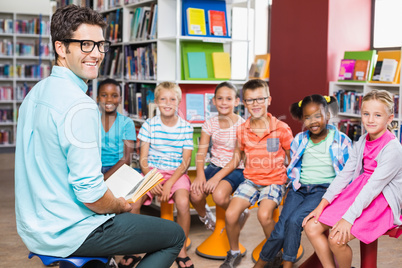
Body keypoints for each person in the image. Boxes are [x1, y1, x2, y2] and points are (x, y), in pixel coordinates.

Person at [14, 5, 185, 268]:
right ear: (61, 48)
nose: (96, 54)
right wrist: (119, 205)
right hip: (70, 230)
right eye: (85, 44)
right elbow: (91, 195)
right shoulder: (80, 105)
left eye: (100, 45)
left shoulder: (35, 93)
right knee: (174, 235)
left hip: (34, 225)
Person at [303, 89, 402, 268]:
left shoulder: (393, 148)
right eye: (366, 114)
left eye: (377, 115)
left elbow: (373, 187)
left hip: (381, 199)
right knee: (311, 227)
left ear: (389, 118)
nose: (370, 120)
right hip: (359, 191)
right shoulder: (362, 140)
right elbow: (344, 175)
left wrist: (348, 218)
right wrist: (322, 205)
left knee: (336, 239)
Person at [254, 94, 352, 268]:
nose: (313, 121)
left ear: (327, 115)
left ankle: (288, 264)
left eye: (317, 116)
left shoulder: (342, 140)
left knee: (295, 221)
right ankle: (260, 264)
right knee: (280, 229)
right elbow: (294, 165)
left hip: (323, 191)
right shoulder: (300, 139)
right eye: (307, 117)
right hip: (299, 190)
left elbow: (349, 173)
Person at [215, 79, 294, 268]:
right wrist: (217, 177)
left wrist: (293, 184)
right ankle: (234, 253)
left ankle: (276, 253)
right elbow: (237, 157)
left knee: (264, 215)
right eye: (250, 100)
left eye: (260, 99)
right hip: (251, 180)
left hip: (274, 181)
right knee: (232, 214)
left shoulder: (281, 128)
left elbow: (293, 159)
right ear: (244, 103)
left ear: (269, 100)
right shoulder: (242, 130)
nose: (255, 104)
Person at [132, 82, 194, 268]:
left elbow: (185, 163)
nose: (168, 103)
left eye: (172, 99)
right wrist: (153, 179)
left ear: (179, 102)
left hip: (176, 173)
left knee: (183, 203)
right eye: (163, 99)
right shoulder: (149, 125)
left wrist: (169, 183)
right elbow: (143, 159)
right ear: (156, 102)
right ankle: (134, 248)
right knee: (134, 204)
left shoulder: (185, 127)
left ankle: (180, 248)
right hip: (152, 172)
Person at [190, 82, 246, 231]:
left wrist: (216, 179)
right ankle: (207, 217)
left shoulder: (242, 125)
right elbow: (201, 152)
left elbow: (236, 159)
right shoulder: (209, 124)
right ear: (214, 101)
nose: (224, 102)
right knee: (195, 194)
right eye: (220, 98)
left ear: (236, 101)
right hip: (215, 165)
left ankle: (240, 211)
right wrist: (200, 175)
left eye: (229, 99)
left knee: (219, 196)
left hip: (236, 168)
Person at [97, 78, 136, 180]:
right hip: (94, 169)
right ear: (97, 98)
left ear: (120, 99)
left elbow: (127, 159)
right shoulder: (92, 121)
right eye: (104, 95)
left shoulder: (127, 123)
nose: (109, 99)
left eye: (114, 96)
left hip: (118, 170)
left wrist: (104, 178)